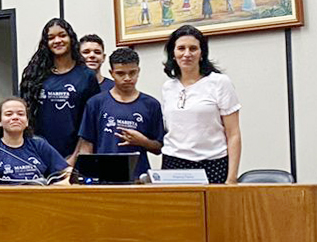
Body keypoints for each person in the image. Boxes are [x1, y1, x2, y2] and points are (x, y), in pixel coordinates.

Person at [159, 25, 241, 184]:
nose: (187, 54)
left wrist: (231, 178)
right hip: (173, 162)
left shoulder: (219, 82)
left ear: (202, 53)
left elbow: (234, 134)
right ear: (173, 54)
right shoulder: (168, 87)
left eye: (193, 48)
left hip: (212, 162)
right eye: (181, 48)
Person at [74, 47, 164, 180]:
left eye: (132, 73)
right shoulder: (95, 103)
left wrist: (142, 141)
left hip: (138, 177)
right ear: (111, 73)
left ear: (138, 71)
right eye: (121, 73)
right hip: (102, 177)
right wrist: (87, 176)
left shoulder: (151, 105)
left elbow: (158, 147)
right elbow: (87, 145)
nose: (127, 78)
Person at [18, 18, 100, 161]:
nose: (57, 40)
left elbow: (89, 124)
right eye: (51, 38)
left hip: (72, 156)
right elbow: (24, 118)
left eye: (62, 35)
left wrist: (74, 158)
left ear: (71, 39)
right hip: (37, 155)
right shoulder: (35, 75)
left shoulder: (86, 76)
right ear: (46, 43)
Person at [0, 97, 70, 186]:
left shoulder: (39, 144)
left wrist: (51, 188)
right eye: (9, 114)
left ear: (27, 121)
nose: (15, 117)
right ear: (0, 122)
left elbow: (68, 174)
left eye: (20, 114)